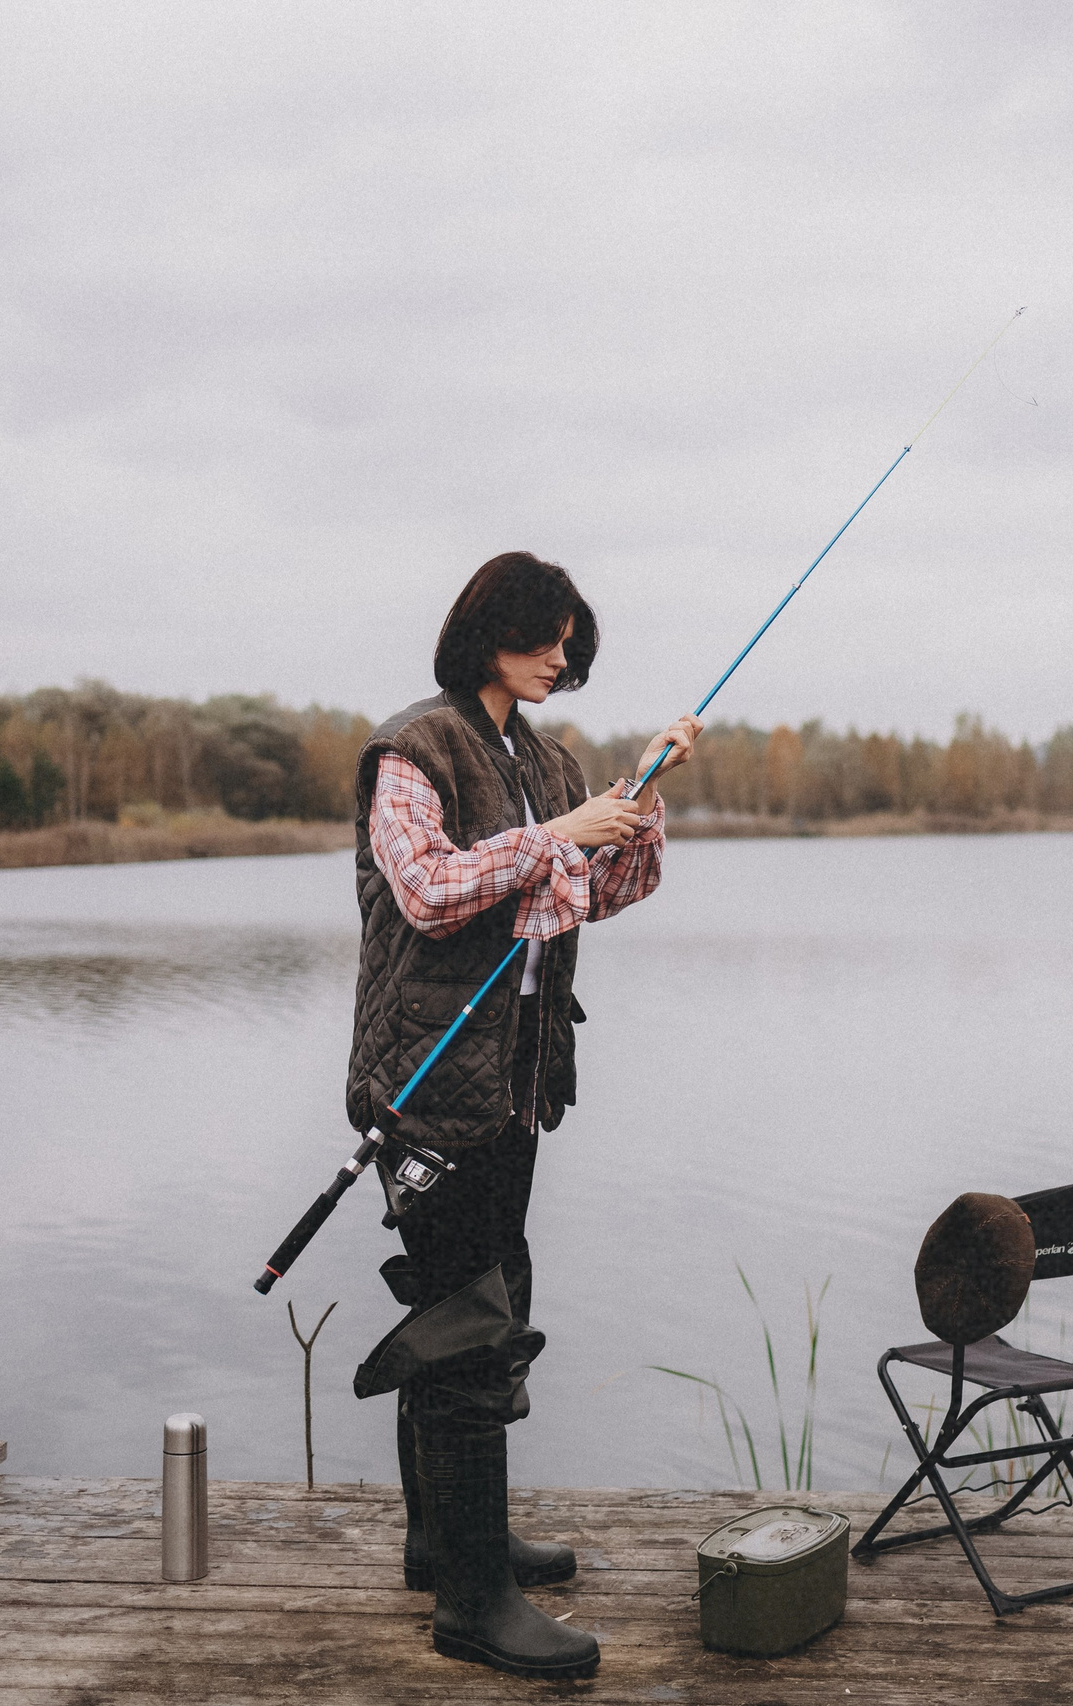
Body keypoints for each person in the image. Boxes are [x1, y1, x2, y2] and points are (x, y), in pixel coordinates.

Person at [346, 550, 698, 1681]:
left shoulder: (546, 759)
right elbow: (430, 889)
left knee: (491, 1293)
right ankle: (473, 1600)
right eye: (545, 635)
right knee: (465, 1323)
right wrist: (561, 832)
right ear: (487, 631)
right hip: (425, 1088)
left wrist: (635, 810)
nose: (563, 655)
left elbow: (604, 890)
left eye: (570, 641)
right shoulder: (414, 748)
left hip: (513, 1084)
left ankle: (445, 1537)